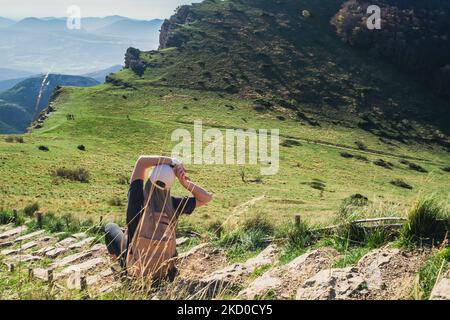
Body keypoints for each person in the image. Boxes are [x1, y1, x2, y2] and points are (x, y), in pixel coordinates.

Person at [104, 156, 213, 280]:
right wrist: (185, 182)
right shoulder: (174, 205)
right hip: (165, 271)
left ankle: (120, 268)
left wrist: (173, 162)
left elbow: (141, 162)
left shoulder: (137, 200)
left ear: (150, 179)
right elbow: (207, 198)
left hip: (136, 269)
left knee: (110, 227)